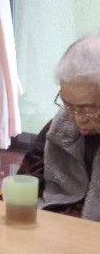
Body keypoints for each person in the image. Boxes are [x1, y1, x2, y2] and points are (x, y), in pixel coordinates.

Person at [17, 35, 100, 221]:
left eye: (87, 108)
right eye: (68, 104)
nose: (76, 118)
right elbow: (27, 181)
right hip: (54, 225)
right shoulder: (59, 127)